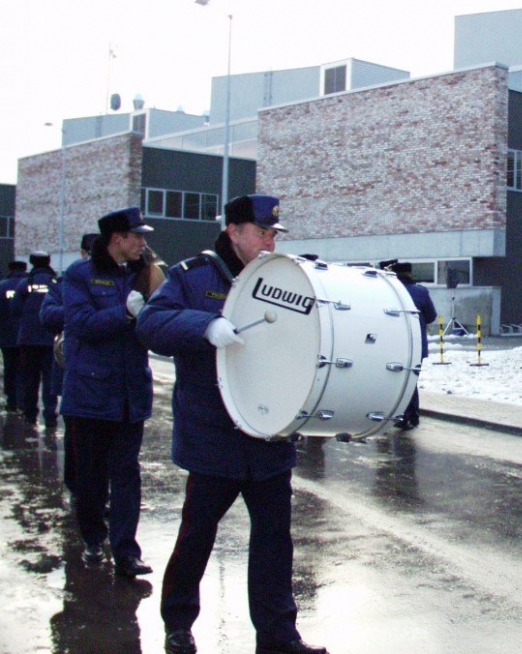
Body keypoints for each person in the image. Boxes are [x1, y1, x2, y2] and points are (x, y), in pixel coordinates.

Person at [136, 194, 327, 654]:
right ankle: (178, 625)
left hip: (268, 434)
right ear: (233, 231)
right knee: (196, 539)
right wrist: (204, 326)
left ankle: (279, 635)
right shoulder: (192, 277)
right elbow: (151, 323)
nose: (268, 242)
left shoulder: (283, 279)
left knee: (274, 545)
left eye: (273, 235)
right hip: (213, 436)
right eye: (261, 232)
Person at [60, 208, 154, 576]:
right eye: (137, 236)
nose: (143, 243)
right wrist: (125, 313)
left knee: (127, 473)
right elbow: (81, 325)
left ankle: (127, 552)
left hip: (131, 393)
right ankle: (93, 538)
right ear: (117, 238)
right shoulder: (80, 275)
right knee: (91, 477)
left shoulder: (144, 272)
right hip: (90, 395)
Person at [40, 233, 98, 497]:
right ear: (84, 253)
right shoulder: (66, 282)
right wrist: (80, 312)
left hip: (105, 375)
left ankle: (98, 494)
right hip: (72, 367)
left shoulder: (119, 283)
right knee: (76, 435)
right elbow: (47, 313)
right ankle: (76, 487)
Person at [10, 251, 58, 427]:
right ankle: (50, 414)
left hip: (28, 340)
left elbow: (14, 309)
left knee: (30, 378)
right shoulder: (55, 283)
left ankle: (30, 414)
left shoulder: (25, 284)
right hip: (50, 339)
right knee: (49, 379)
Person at [391, 261, 437, 430]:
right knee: (411, 380)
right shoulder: (421, 292)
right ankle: (412, 416)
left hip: (393, 345)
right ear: (410, 273)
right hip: (416, 345)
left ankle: (399, 415)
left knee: (394, 380)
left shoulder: (391, 292)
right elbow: (431, 316)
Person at [0, 260, 28, 412]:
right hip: (27, 336)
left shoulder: (2, 286)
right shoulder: (30, 285)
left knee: (10, 369)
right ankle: (24, 402)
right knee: (25, 369)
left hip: (7, 336)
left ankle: (11, 400)